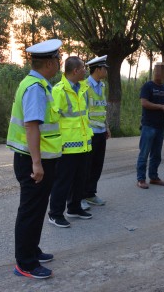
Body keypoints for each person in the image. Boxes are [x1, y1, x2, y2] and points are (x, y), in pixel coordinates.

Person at [6, 39, 63, 279]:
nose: (60, 63)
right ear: (49, 63)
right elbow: (31, 127)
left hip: (38, 159)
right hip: (33, 161)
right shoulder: (36, 88)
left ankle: (33, 250)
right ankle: (25, 263)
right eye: (58, 60)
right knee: (30, 210)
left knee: (38, 208)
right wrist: (37, 163)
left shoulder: (39, 84)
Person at [47, 57, 94, 228]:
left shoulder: (82, 88)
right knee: (62, 182)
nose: (85, 71)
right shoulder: (59, 91)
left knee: (80, 179)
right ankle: (55, 213)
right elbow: (52, 120)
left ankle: (74, 208)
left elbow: (83, 116)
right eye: (83, 68)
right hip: (66, 147)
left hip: (83, 144)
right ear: (75, 71)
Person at [136, 62, 164, 189]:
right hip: (148, 125)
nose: (161, 74)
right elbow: (144, 103)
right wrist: (161, 107)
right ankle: (141, 179)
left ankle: (154, 177)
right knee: (144, 153)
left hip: (160, 126)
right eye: (159, 71)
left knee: (156, 154)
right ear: (154, 72)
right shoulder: (148, 86)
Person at [83, 55, 111, 208]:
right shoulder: (84, 86)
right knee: (86, 166)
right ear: (98, 69)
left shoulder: (102, 86)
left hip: (100, 131)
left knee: (97, 165)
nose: (106, 71)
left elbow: (102, 109)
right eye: (105, 68)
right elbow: (83, 110)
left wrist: (106, 127)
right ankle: (81, 195)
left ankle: (90, 194)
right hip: (89, 132)